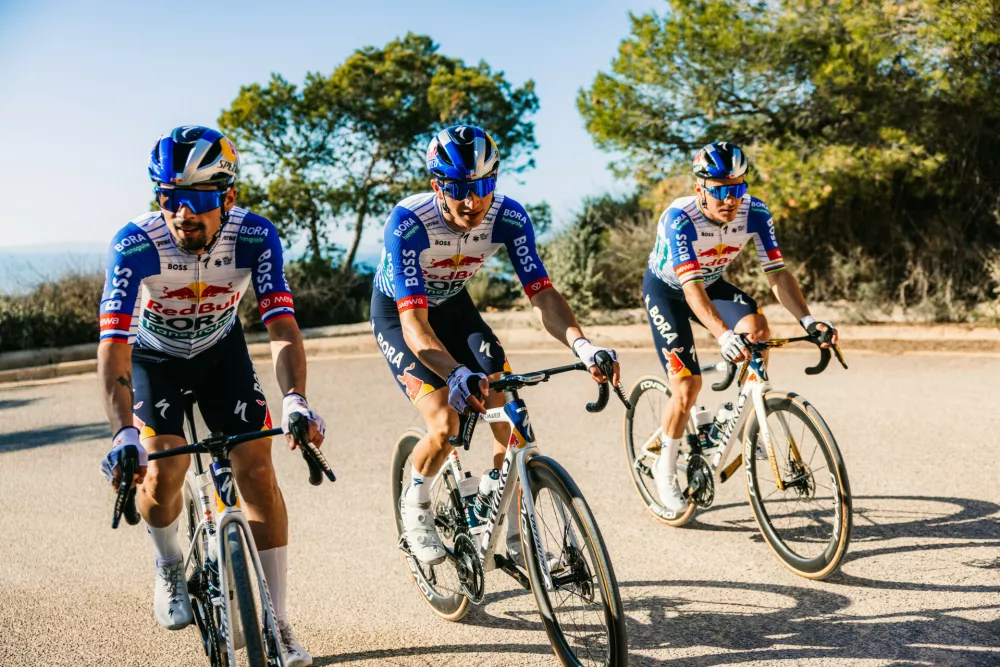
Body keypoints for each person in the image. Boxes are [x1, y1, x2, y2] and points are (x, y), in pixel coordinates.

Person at [97, 125, 324, 666]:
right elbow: (113, 347)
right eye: (170, 198)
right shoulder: (135, 245)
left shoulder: (255, 236)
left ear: (228, 197)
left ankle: (279, 622)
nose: (183, 214)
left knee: (258, 471)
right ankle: (170, 563)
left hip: (222, 351)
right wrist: (124, 432)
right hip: (155, 359)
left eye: (198, 199)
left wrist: (294, 399)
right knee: (163, 473)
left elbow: (282, 328)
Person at [371, 124, 621, 564]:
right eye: (459, 189)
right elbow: (414, 324)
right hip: (401, 313)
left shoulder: (508, 216)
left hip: (452, 304)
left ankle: (505, 516)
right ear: (438, 186)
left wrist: (582, 346)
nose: (473, 201)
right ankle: (416, 504)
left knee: (505, 402)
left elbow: (542, 293)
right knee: (447, 422)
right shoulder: (408, 224)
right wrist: (455, 373)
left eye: (483, 186)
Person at [643, 141, 839, 515]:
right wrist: (723, 335)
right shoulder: (679, 219)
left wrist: (809, 320)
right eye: (720, 189)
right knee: (687, 385)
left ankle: (744, 416)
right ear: (701, 187)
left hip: (711, 281)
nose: (730, 199)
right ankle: (663, 467)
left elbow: (777, 274)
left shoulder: (756, 212)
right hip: (669, 290)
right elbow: (691, 289)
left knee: (759, 331)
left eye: (737, 188)